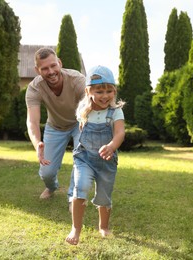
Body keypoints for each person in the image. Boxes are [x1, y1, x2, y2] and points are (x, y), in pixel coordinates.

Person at [65, 65, 125, 245]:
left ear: (114, 91)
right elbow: (82, 132)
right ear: (88, 91)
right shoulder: (84, 110)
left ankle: (104, 226)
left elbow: (120, 133)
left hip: (106, 161)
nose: (105, 96)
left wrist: (112, 145)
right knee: (80, 188)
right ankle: (76, 228)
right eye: (99, 91)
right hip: (85, 159)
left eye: (109, 91)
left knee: (104, 196)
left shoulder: (115, 111)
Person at [25, 47, 85, 201]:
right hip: (55, 127)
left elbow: (91, 106)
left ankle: (74, 197)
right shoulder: (34, 88)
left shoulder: (77, 79)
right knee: (47, 172)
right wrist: (37, 143)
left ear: (59, 63)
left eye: (53, 66)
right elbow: (32, 121)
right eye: (44, 68)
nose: (50, 71)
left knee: (81, 159)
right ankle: (52, 187)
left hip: (80, 124)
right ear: (37, 70)